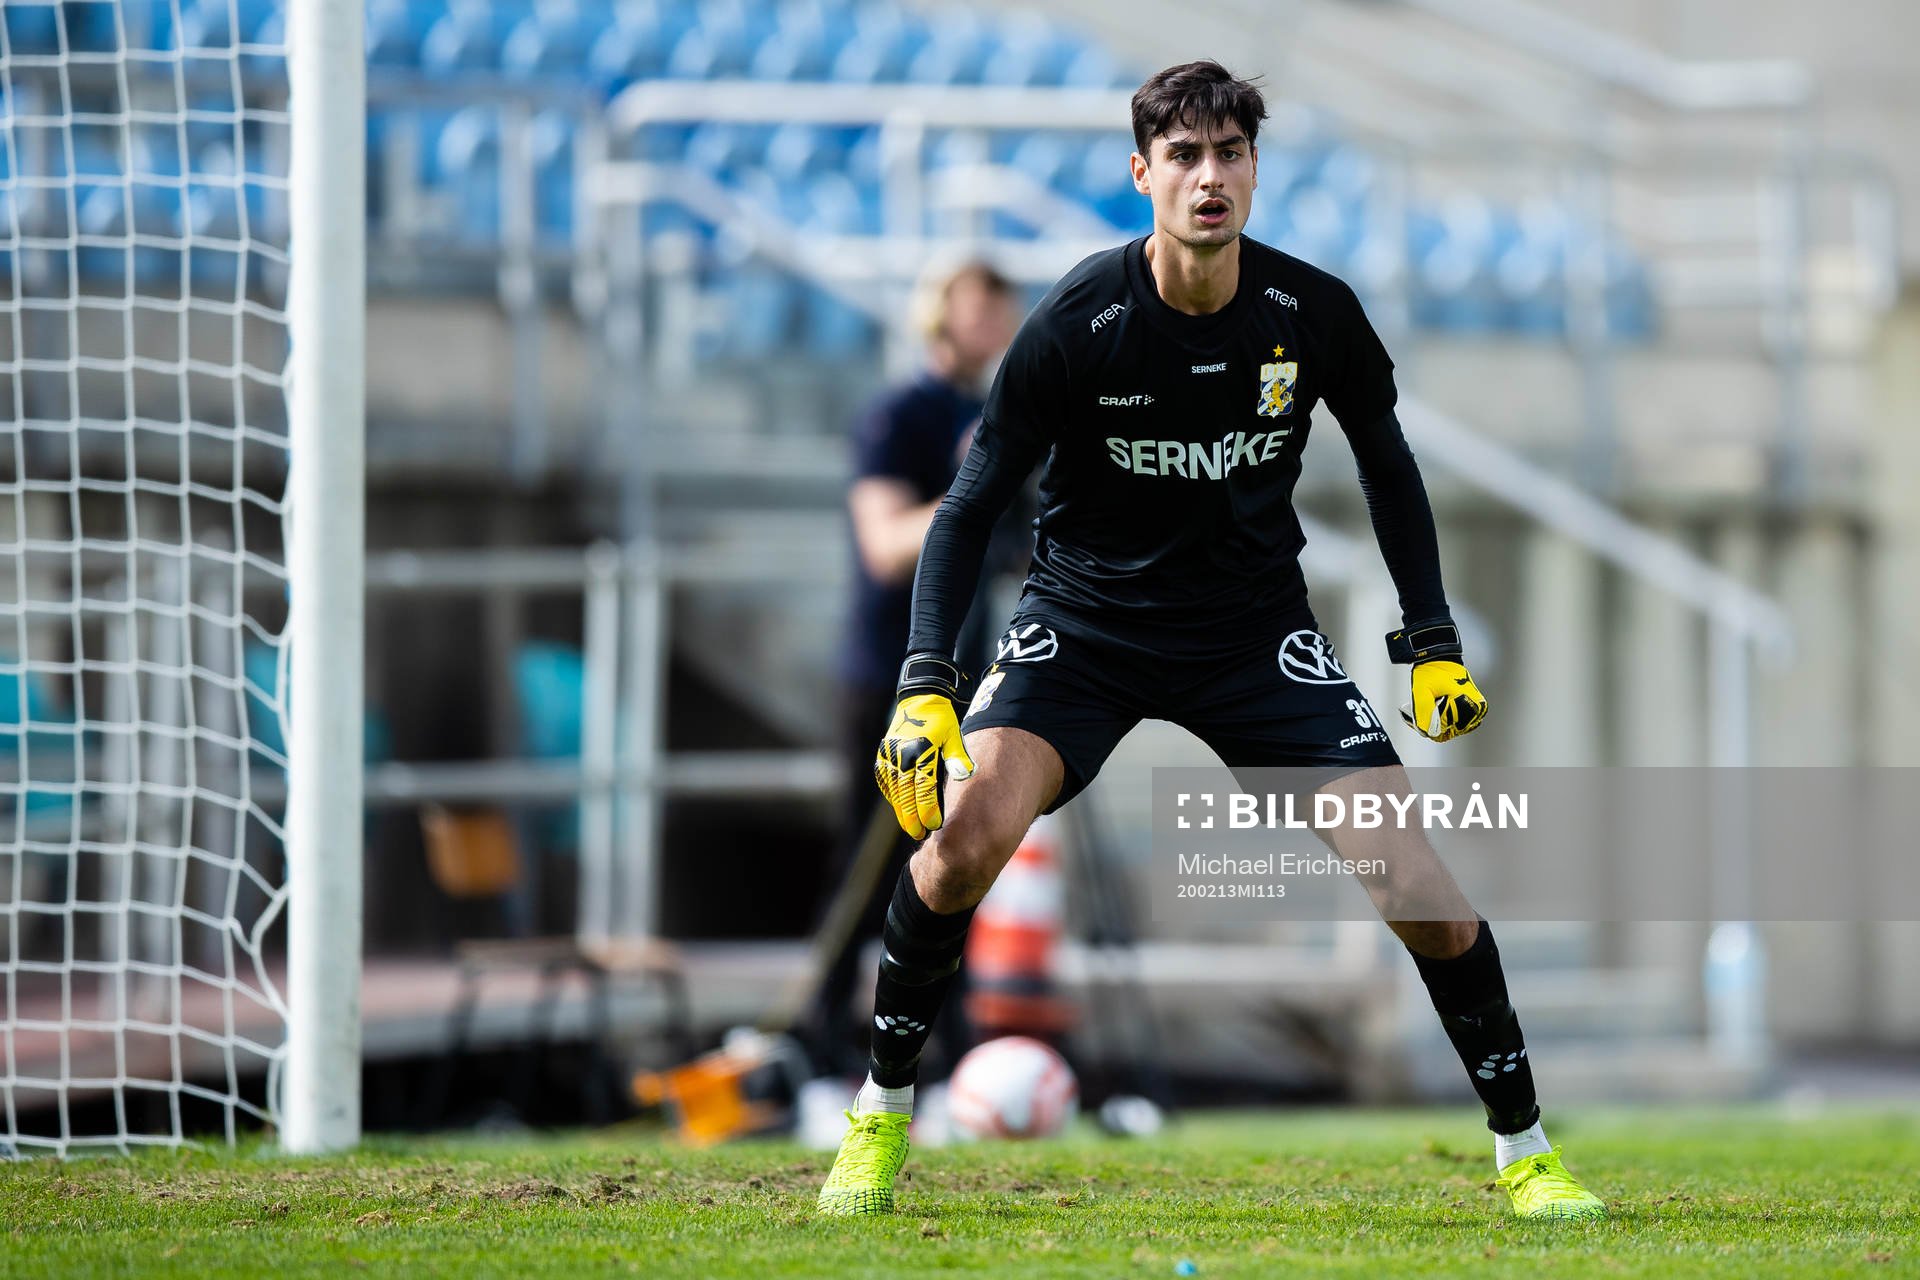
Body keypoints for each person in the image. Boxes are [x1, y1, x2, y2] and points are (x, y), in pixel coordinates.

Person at [815, 61, 1606, 1223]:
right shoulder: (1078, 322)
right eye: (1183, 156)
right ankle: (879, 1117)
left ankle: (1528, 1151)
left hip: (1253, 635)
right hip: (1082, 627)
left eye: (1229, 152)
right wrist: (924, 685)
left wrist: (1427, 639)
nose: (1209, 176)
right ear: (1144, 175)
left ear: (1252, 170)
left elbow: (1390, 468)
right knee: (965, 834)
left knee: (1415, 882)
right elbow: (970, 502)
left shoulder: (1312, 311)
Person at [807, 260, 1024, 1079]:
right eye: (977, 306)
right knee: (863, 865)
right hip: (889, 674)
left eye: (1000, 309)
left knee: (957, 856)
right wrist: (975, 498)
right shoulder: (898, 415)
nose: (991, 323)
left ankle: (948, 1044)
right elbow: (886, 542)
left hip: (972, 677)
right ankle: (822, 1032)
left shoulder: (996, 411)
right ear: (938, 314)